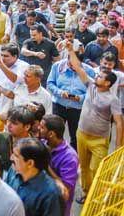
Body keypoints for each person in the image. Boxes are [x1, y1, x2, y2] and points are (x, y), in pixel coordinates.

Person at [68, 45, 123, 203]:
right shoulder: (91, 86)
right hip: (82, 133)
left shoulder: (113, 100)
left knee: (97, 169)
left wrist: (118, 146)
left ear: (107, 83)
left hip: (99, 139)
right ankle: (87, 193)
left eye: (100, 77)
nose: (96, 77)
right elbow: (78, 67)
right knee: (84, 168)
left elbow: (119, 123)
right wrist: (71, 50)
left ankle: (97, 195)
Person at [46, 51, 96, 150]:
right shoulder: (57, 66)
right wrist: (60, 92)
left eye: (77, 65)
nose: (74, 67)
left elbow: (94, 92)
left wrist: (80, 98)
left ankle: (73, 159)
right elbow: (50, 83)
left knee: (76, 136)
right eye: (72, 64)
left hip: (77, 109)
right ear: (68, 58)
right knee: (53, 134)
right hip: (59, 105)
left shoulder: (89, 71)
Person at [4, 138, 62, 216]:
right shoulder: (13, 171)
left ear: (30, 163)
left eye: (16, 156)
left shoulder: (50, 194)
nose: (11, 158)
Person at [38, 115, 79, 216]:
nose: (39, 128)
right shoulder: (43, 143)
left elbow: (65, 188)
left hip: (58, 205)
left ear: (51, 134)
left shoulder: (70, 157)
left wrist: (45, 165)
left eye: (42, 127)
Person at [0, 44, 29, 118]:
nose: (3, 58)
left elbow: (15, 79)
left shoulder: (24, 66)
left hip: (16, 100)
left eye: (6, 56)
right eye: (2, 55)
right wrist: (3, 90)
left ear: (15, 57)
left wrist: (0, 64)